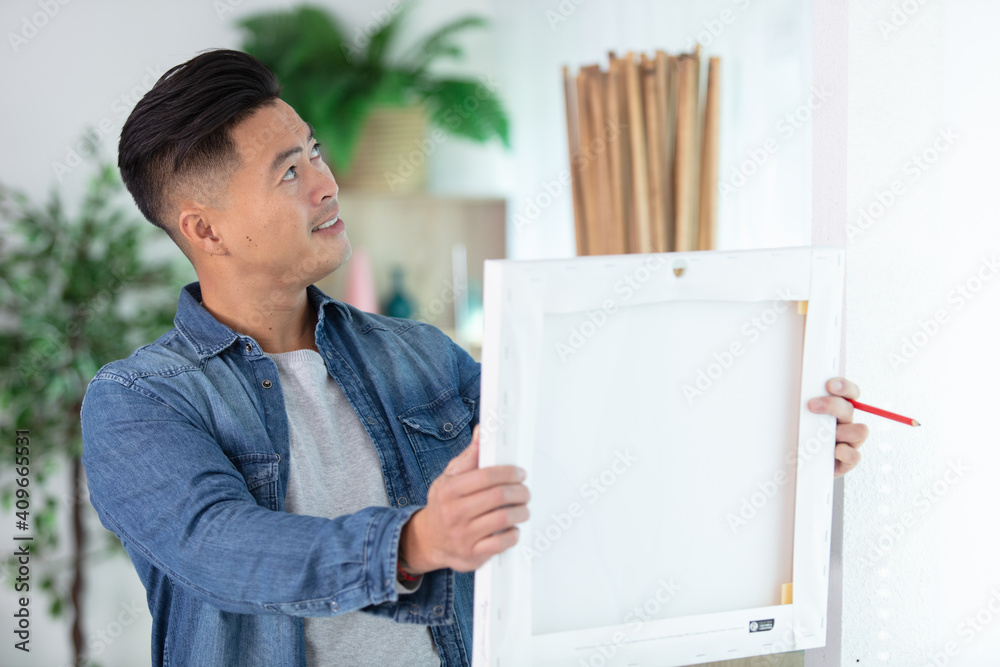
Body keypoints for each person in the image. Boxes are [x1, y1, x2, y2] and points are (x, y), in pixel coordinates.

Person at [80, 49, 869, 667]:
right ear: (205, 230)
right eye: (289, 172)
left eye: (315, 152)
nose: (327, 184)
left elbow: (584, 458)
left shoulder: (416, 354)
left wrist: (771, 444)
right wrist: (415, 541)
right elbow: (223, 548)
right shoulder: (140, 401)